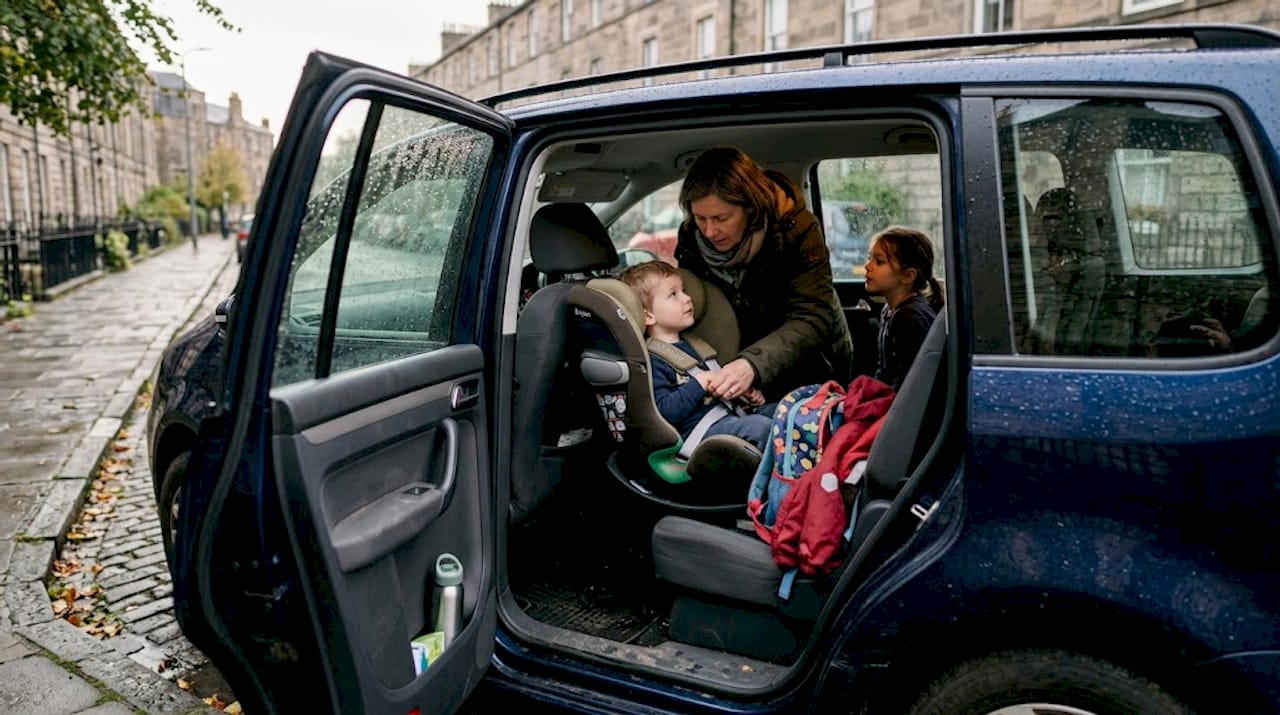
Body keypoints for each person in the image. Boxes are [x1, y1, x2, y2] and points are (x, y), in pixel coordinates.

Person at [674, 146, 855, 403]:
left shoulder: (797, 230)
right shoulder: (690, 238)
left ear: (750, 207)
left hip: (801, 372)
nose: (709, 231)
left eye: (721, 218)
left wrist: (752, 365)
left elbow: (813, 316)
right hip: (730, 381)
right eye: (700, 218)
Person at [619, 261, 773, 450]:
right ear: (648, 316)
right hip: (698, 435)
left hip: (730, 417)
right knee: (760, 428)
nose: (687, 298)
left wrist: (739, 393)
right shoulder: (652, 360)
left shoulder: (696, 345)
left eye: (683, 291)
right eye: (673, 294)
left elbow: (715, 389)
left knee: (783, 411)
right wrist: (699, 384)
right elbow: (663, 413)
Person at [863, 226, 944, 391]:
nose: (868, 266)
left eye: (879, 262)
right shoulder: (890, 309)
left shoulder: (910, 318)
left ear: (907, 276)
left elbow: (910, 383)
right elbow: (885, 371)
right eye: (869, 258)